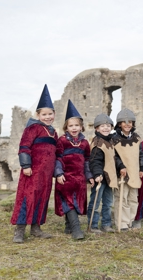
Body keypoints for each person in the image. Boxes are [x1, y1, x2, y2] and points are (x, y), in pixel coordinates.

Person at [11, 84, 58, 243]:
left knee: (42, 198)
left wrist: (56, 171)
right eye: (44, 114)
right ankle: (20, 230)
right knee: (27, 198)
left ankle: (36, 228)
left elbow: (57, 152)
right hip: (32, 171)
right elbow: (24, 146)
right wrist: (26, 165)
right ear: (38, 115)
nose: (47, 117)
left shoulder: (53, 132)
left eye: (50, 114)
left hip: (46, 173)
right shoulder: (33, 128)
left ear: (54, 114)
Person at [54, 99, 94, 240]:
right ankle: (77, 229)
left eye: (77, 125)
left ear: (81, 127)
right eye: (71, 125)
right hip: (66, 177)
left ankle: (68, 226)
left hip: (79, 178)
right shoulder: (62, 141)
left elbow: (87, 160)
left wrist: (89, 175)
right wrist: (58, 173)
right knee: (68, 200)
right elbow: (58, 157)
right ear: (66, 127)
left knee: (76, 201)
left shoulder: (84, 143)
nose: (74, 128)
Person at [112, 108, 143, 231]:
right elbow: (114, 155)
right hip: (122, 173)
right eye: (124, 122)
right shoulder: (114, 139)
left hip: (134, 172)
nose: (127, 124)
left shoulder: (136, 138)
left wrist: (141, 168)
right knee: (122, 198)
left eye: (130, 122)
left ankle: (130, 221)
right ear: (120, 124)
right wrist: (121, 166)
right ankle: (122, 223)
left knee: (133, 198)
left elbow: (141, 154)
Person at [87, 113, 118, 233]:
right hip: (100, 178)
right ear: (97, 128)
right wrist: (97, 174)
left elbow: (113, 158)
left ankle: (106, 224)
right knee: (95, 202)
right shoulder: (97, 143)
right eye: (102, 126)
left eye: (108, 126)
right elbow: (95, 161)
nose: (106, 128)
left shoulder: (109, 141)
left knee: (108, 203)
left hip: (109, 178)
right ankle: (93, 225)